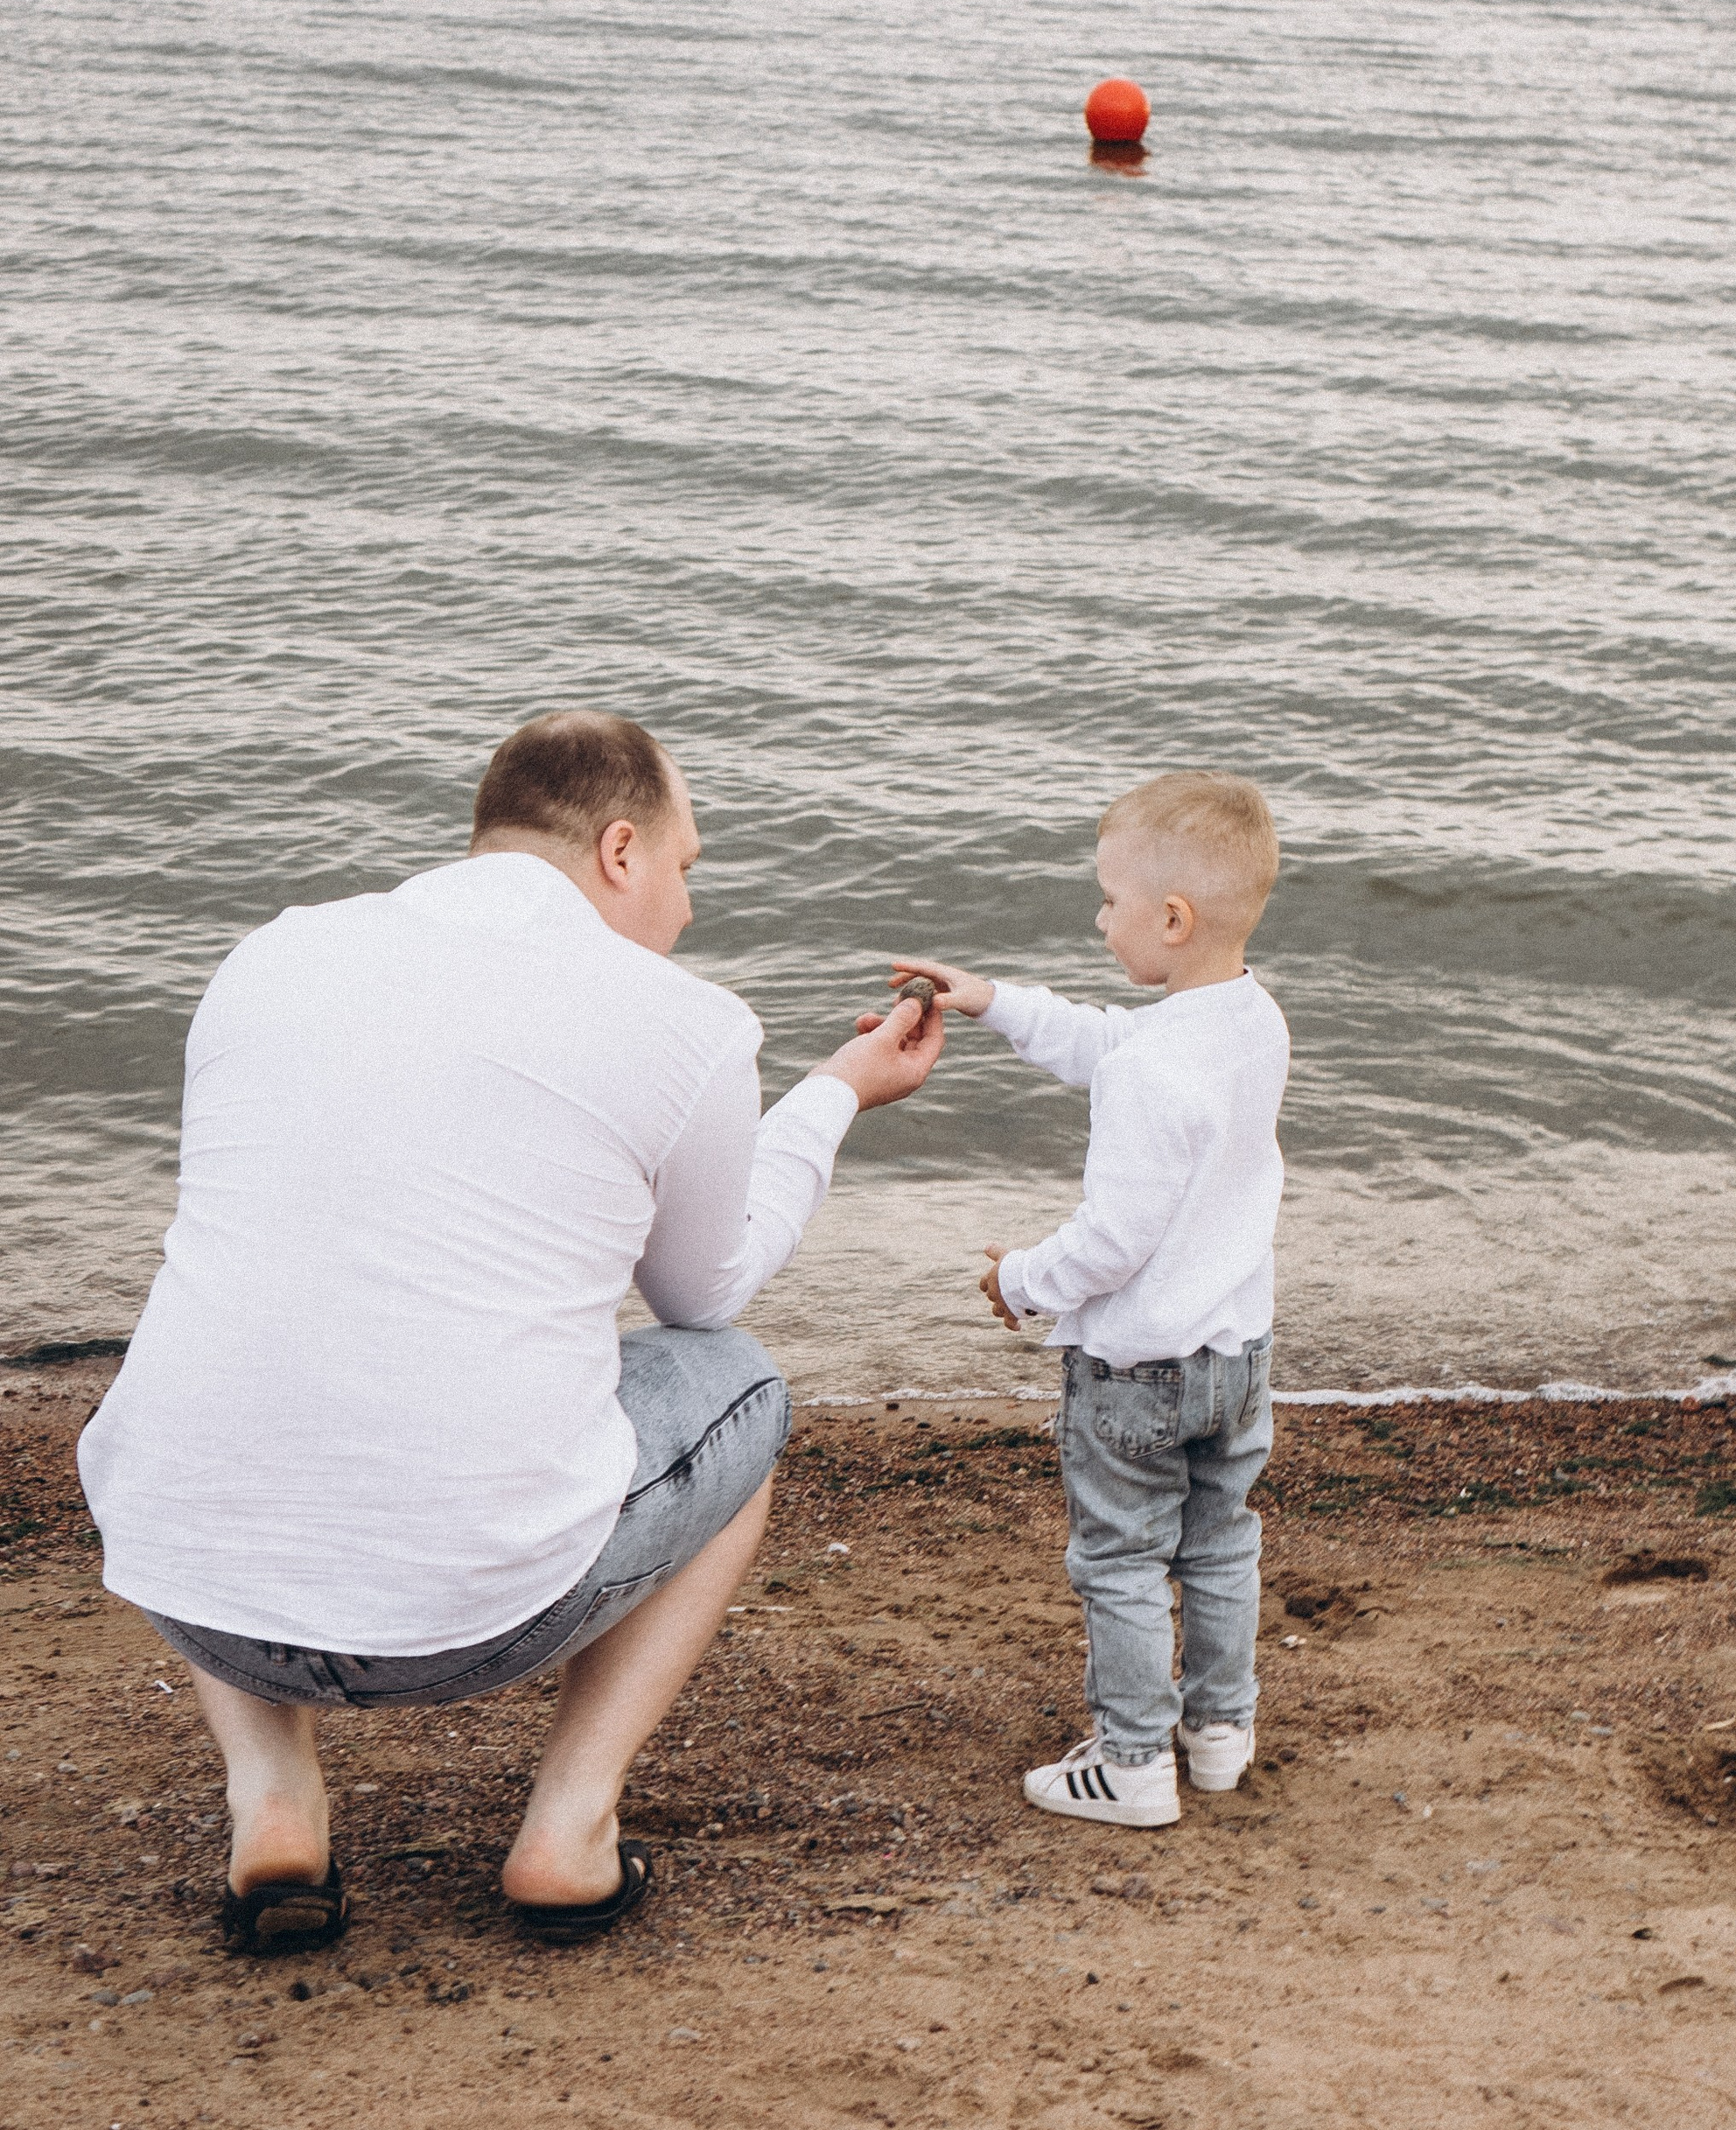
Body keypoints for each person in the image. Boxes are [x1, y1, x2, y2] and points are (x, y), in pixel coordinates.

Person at [78, 712, 942, 1952]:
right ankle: (569, 1829)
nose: (688, 909)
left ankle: (272, 1801)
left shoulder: (274, 954)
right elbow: (709, 1295)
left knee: (233, 1346)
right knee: (736, 1388)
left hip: (193, 1583)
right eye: (689, 870)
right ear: (623, 850)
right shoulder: (680, 1017)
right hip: (475, 1617)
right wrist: (836, 1094)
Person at [893, 771, 1287, 1829]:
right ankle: (1216, 1734)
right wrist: (992, 1001)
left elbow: (1112, 1243)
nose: (1098, 916)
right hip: (1235, 1358)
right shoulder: (1247, 1022)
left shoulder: (1153, 1072)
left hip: (1137, 1375)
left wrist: (1018, 1279)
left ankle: (1129, 1765)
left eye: (1109, 900)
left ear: (1171, 918)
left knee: (1118, 1559)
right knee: (1219, 1542)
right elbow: (1112, 1045)